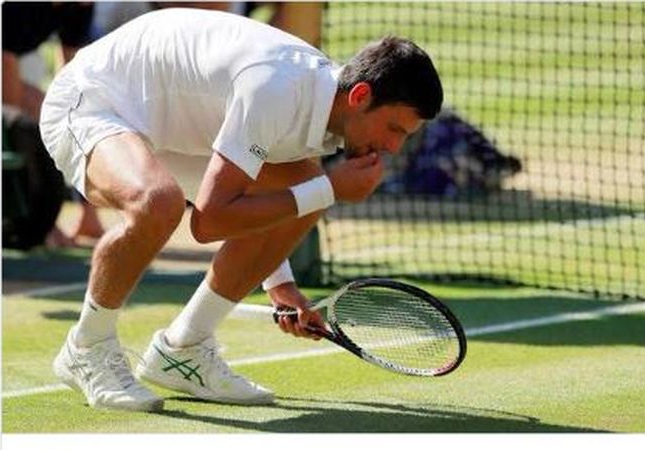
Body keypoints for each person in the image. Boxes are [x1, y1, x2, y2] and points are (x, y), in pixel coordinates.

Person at [39, 7, 442, 412]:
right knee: (158, 204)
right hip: (92, 100)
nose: (393, 148)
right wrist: (331, 188)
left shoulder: (317, 109)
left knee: (306, 187)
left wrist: (281, 286)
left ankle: (184, 347)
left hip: (171, 129)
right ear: (360, 97)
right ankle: (86, 346)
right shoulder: (276, 89)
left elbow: (268, 203)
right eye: (394, 129)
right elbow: (210, 222)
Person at [2, 2, 106, 248]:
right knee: (31, 123)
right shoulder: (14, 8)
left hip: (4, 62)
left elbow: (74, 75)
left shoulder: (81, 6)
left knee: (79, 117)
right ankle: (40, 221)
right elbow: (11, 108)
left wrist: (74, 119)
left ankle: (89, 219)